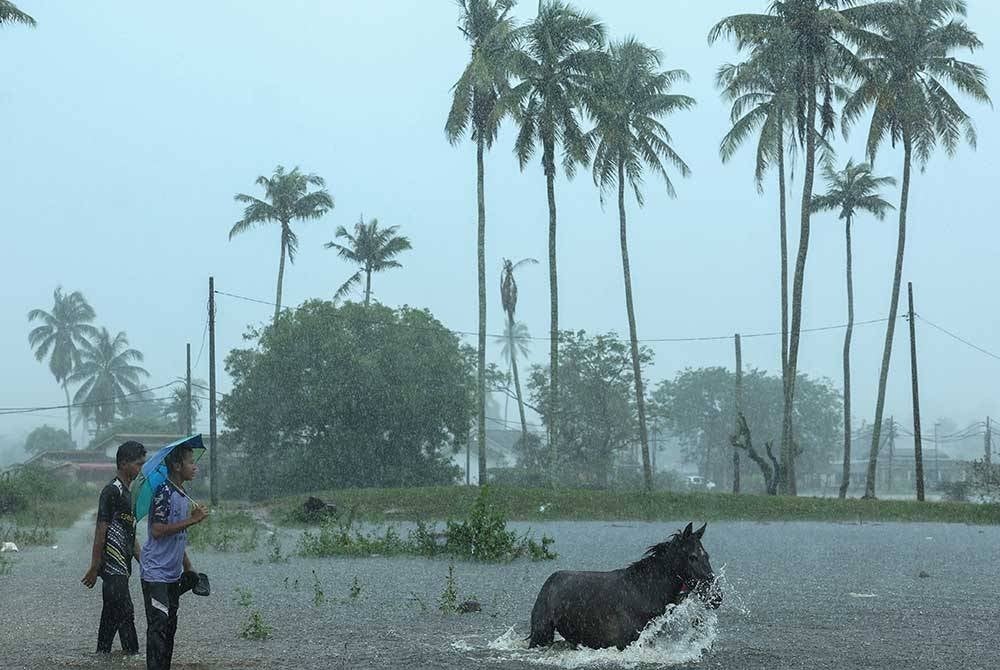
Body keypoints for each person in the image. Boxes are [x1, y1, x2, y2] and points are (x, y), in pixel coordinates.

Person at [139, 444, 209, 670]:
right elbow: (158, 531)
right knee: (158, 627)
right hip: (155, 573)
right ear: (177, 466)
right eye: (190, 462)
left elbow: (178, 538)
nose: (195, 466)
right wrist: (193, 519)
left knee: (170, 626)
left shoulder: (182, 494)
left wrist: (189, 567)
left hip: (172, 574)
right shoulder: (163, 493)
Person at [81, 440, 147, 656]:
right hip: (112, 569)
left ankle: (101, 658)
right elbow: (101, 531)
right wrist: (94, 566)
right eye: (138, 464)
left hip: (123, 569)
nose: (140, 469)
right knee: (126, 613)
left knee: (110, 618)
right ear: (124, 463)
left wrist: (145, 563)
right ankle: (134, 659)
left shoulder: (130, 496)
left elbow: (131, 537)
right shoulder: (111, 491)